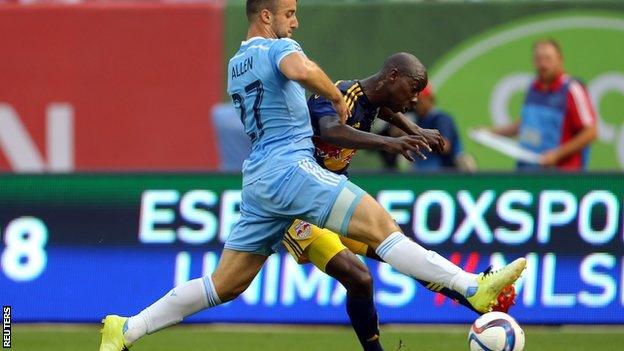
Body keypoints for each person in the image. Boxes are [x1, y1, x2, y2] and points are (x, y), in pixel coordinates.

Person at [98, 1, 526, 350]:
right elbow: (302, 69)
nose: (294, 22)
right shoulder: (274, 49)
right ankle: (473, 287)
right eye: (289, 14)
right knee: (382, 228)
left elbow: (368, 103)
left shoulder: (236, 65)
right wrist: (335, 95)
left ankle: (126, 329)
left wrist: (407, 128)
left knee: (224, 284)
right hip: (290, 168)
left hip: (259, 180)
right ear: (266, 16)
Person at [283, 60, 515, 350]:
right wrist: (387, 143)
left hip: (331, 203)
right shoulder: (339, 95)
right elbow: (330, 130)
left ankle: (481, 299)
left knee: (405, 254)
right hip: (296, 207)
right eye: (412, 88)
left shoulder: (368, 102)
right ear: (392, 77)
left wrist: (412, 127)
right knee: (360, 277)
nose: (416, 98)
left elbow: (380, 107)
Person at [489, 39, 597, 170]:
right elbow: (525, 124)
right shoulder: (533, 88)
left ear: (560, 60)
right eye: (539, 59)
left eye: (548, 59)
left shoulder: (572, 89)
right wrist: (491, 134)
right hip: (527, 172)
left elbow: (591, 132)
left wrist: (557, 155)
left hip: (561, 176)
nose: (543, 65)